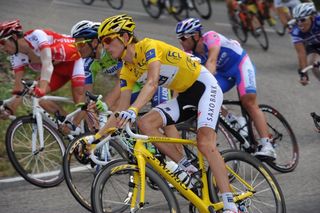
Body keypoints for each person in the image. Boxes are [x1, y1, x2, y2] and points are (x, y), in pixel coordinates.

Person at [84, 14, 239, 213]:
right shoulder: (127, 70)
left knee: (205, 143)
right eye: (103, 42)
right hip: (184, 95)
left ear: (124, 37)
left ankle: (230, 204)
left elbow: (152, 82)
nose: (105, 47)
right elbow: (119, 111)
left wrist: (134, 109)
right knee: (146, 124)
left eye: (108, 40)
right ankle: (188, 168)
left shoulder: (148, 47)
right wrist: (95, 139)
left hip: (205, 87)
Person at [70, 19, 183, 152]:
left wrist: (106, 104)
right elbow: (86, 95)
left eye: (81, 44)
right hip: (134, 87)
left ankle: (183, 160)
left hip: (152, 84)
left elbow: (120, 82)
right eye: (75, 45)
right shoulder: (88, 63)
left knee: (165, 122)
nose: (78, 48)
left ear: (94, 42)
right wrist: (77, 121)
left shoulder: (112, 53)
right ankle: (139, 145)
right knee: (110, 110)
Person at [175, 17, 276, 160]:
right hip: (223, 74)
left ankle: (268, 145)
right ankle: (233, 119)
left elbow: (211, 62)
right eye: (179, 38)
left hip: (240, 65)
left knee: (248, 102)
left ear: (195, 35)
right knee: (205, 96)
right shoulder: (190, 53)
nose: (181, 41)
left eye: (184, 38)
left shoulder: (211, 37)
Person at [0, 19, 85, 122]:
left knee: (80, 101)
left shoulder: (36, 36)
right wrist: (9, 109)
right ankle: (68, 123)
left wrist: (42, 88)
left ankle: (95, 130)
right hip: (57, 69)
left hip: (74, 59)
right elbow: (19, 88)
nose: (2, 48)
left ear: (13, 37)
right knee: (35, 97)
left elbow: (47, 63)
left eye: (2, 42)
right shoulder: (15, 55)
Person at [289, 2, 319, 85]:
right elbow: (301, 53)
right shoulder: (296, 31)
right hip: (313, 45)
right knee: (314, 65)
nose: (299, 23)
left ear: (312, 17)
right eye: (297, 20)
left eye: (302, 20)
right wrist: (303, 74)